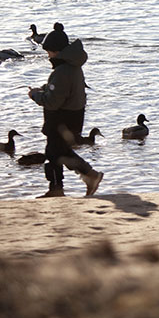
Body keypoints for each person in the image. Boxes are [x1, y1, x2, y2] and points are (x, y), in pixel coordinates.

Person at [28, 23, 103, 198]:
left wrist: (35, 95)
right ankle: (83, 178)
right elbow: (63, 90)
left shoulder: (62, 70)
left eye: (48, 52)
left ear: (56, 51)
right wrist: (46, 88)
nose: (47, 55)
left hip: (62, 118)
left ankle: (60, 187)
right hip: (74, 116)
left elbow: (52, 102)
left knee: (54, 153)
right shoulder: (73, 66)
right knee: (60, 151)